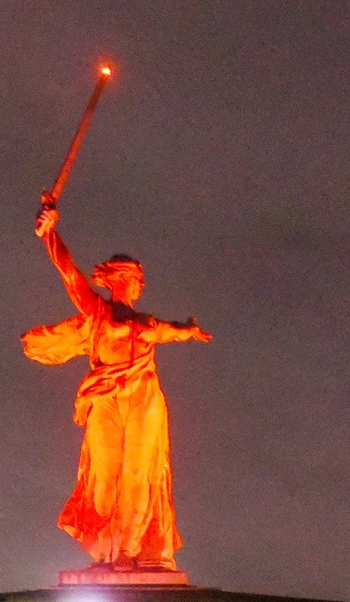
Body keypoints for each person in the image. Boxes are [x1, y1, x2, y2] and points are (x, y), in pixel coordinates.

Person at [22, 202, 210, 572]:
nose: (140, 285)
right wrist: (50, 234)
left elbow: (173, 331)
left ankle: (132, 550)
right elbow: (70, 274)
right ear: (122, 280)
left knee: (140, 473)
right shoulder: (98, 314)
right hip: (105, 397)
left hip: (143, 398)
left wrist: (190, 330)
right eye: (136, 279)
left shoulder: (146, 323)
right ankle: (107, 550)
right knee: (106, 474)